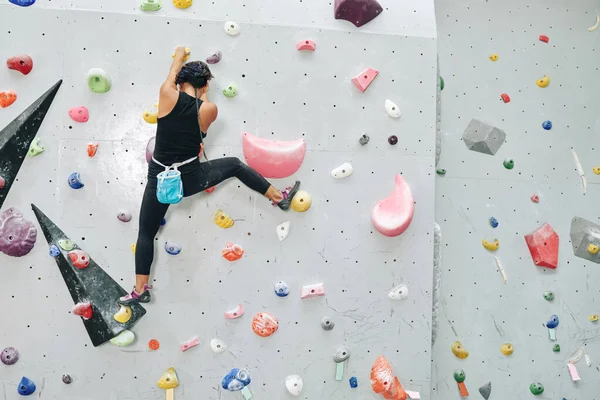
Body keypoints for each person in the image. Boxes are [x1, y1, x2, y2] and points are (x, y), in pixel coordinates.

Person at [119, 46, 300, 306]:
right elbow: (197, 137)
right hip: (191, 178)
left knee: (146, 233)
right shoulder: (209, 109)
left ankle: (139, 290)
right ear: (204, 86)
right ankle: (278, 197)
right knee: (235, 165)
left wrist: (179, 56)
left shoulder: (166, 95)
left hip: (159, 179)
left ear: (181, 82)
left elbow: (172, 75)